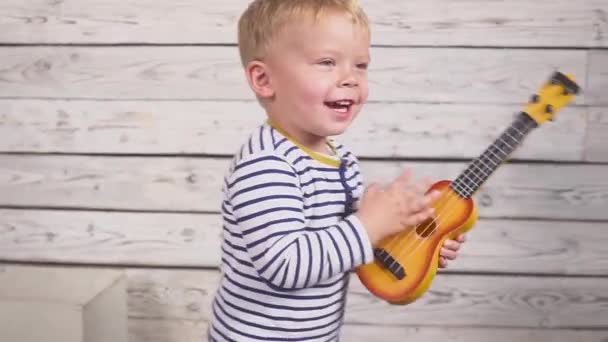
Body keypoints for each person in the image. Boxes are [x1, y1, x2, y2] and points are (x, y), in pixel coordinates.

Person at [208, 0, 465, 340]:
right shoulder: (266, 164)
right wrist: (368, 225)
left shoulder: (340, 158)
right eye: (327, 62)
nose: (350, 79)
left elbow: (342, 248)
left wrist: (413, 243)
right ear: (264, 79)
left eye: (361, 65)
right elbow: (286, 266)